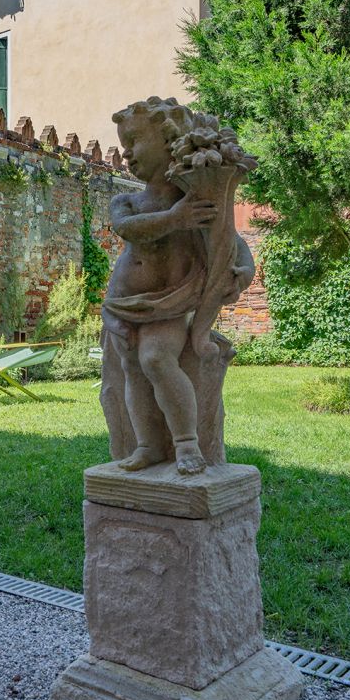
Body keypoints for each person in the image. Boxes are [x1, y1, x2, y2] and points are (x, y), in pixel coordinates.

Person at [102, 97, 255, 474]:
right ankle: (148, 445)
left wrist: (243, 272)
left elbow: (231, 240)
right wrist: (174, 219)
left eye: (134, 142)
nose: (126, 153)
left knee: (155, 358)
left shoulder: (197, 201)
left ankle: (187, 444)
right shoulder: (128, 201)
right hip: (123, 302)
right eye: (123, 145)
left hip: (169, 303)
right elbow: (126, 229)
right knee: (132, 370)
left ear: (169, 140)